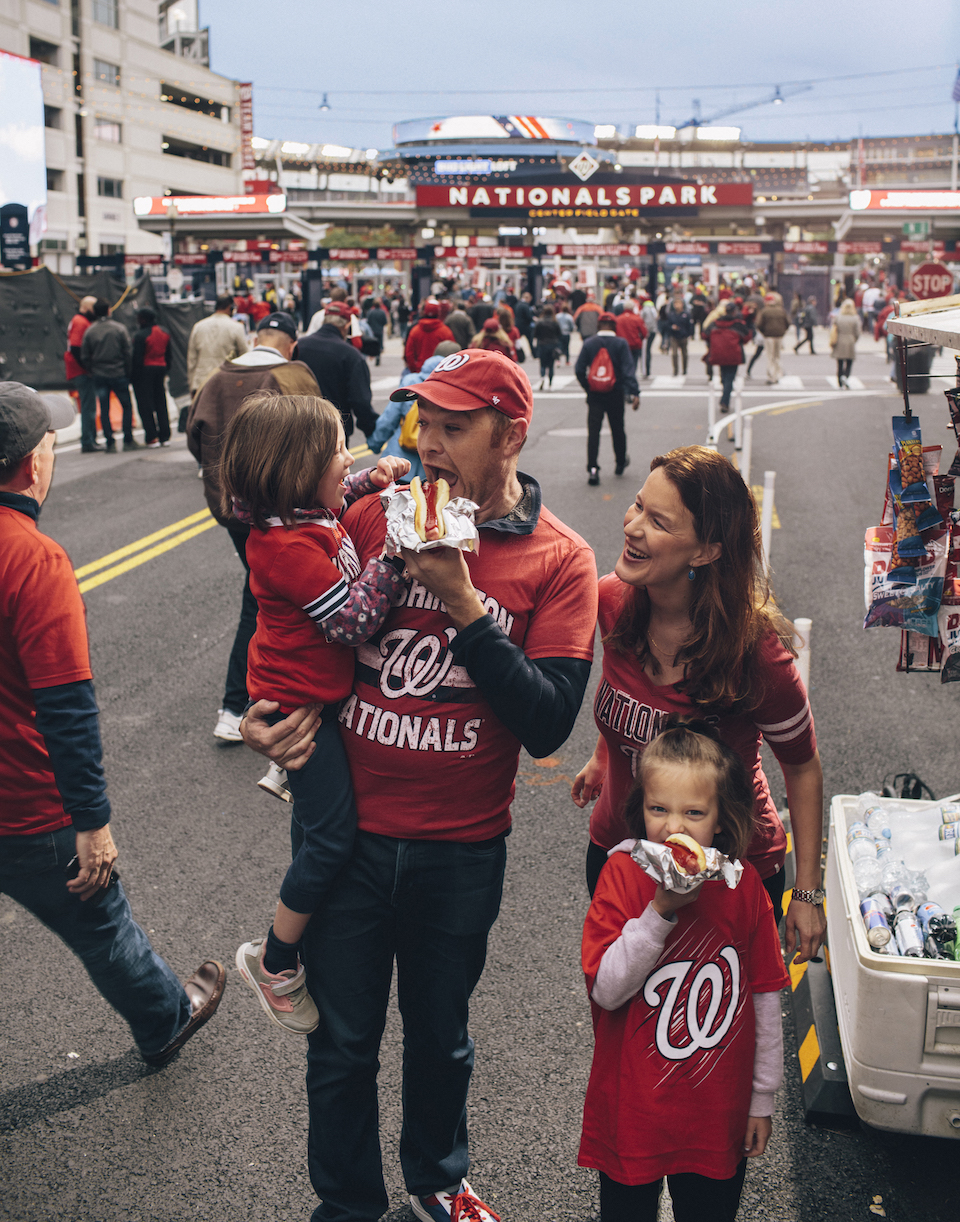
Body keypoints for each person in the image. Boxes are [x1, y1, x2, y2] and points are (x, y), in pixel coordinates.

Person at [241, 348, 599, 1222]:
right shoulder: (372, 521)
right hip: (351, 842)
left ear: (512, 434)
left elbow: (549, 721)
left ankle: (438, 1183)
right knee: (341, 1044)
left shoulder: (561, 559)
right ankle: (348, 1203)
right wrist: (265, 712)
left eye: (452, 427)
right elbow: (287, 620)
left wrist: (465, 603)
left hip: (462, 846)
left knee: (440, 1040)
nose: (427, 445)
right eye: (419, 423)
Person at [0, 382, 226, 1067]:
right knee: (103, 927)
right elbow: (66, 704)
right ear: (36, 462)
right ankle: (165, 1018)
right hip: (29, 806)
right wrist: (91, 822)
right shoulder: (33, 559)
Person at [570, 446, 826, 964]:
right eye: (638, 506)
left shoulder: (755, 654)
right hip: (620, 852)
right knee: (624, 1011)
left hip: (730, 869)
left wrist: (806, 895)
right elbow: (626, 692)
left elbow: (802, 768)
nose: (633, 526)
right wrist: (607, 753)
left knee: (711, 1033)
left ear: (706, 551)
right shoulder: (612, 602)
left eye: (658, 521)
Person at [219, 393, 409, 1034]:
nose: (348, 459)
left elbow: (334, 493)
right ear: (299, 471)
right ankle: (274, 961)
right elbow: (352, 621)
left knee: (318, 829)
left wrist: (369, 480)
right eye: (337, 452)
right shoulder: (289, 550)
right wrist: (394, 557)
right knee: (330, 838)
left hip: (307, 698)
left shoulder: (299, 514)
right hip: (299, 706)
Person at [579, 718, 790, 1222]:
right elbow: (606, 990)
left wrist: (761, 1100)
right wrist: (659, 912)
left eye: (693, 812)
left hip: (716, 1114)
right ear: (641, 808)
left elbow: (764, 998)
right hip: (633, 1111)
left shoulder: (744, 891)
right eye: (659, 809)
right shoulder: (621, 875)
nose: (674, 827)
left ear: (720, 819)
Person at [187, 312, 321, 744]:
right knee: (266, 603)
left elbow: (195, 435)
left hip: (229, 509)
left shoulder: (217, 380)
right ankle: (239, 705)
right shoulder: (293, 375)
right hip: (284, 510)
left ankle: (247, 702)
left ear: (255, 338)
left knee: (262, 595)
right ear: (291, 345)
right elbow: (318, 437)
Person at [295, 302, 379, 444]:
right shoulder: (351, 355)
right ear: (346, 325)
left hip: (299, 426)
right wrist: (370, 429)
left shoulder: (298, 347)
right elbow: (360, 400)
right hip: (335, 431)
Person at [576, 313, 640, 486]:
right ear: (614, 326)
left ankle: (593, 469)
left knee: (594, 432)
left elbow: (579, 368)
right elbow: (628, 370)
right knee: (618, 428)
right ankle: (620, 462)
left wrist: (588, 387)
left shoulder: (590, 343)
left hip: (595, 395)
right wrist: (635, 392)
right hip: (615, 393)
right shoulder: (620, 343)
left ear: (598, 326)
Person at [80, 298, 137, 452]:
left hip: (99, 375)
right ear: (108, 310)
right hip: (119, 373)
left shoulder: (90, 331)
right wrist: (128, 372)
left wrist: (92, 370)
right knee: (126, 406)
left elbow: (84, 355)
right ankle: (128, 439)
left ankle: (110, 442)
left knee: (104, 409)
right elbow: (128, 353)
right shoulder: (119, 329)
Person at [187, 294, 248, 401]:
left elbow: (192, 359)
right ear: (230, 307)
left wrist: (192, 385)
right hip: (227, 383)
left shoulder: (198, 326)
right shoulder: (237, 327)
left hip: (201, 382)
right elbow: (245, 357)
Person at [64, 295, 101, 452]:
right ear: (86, 308)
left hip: (80, 369)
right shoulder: (81, 322)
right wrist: (88, 368)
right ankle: (88, 440)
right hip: (82, 371)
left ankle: (91, 438)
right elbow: (76, 347)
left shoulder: (80, 321)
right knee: (88, 406)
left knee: (89, 405)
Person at [130, 308, 171, 449]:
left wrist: (133, 377)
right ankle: (165, 436)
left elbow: (137, 359)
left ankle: (152, 436)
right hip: (161, 369)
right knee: (161, 402)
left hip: (145, 372)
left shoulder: (141, 335)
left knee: (145, 405)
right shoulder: (165, 332)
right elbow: (169, 355)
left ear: (143, 319)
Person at [703, 303, 750, 413]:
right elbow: (747, 337)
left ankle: (725, 393)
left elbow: (705, 334)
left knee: (724, 375)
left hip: (719, 353)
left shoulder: (715, 323)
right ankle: (725, 401)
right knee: (730, 377)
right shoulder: (738, 324)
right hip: (734, 354)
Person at [404, 300, 455, 373]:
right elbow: (452, 352)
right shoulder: (445, 331)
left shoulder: (415, 331)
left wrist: (414, 370)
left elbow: (409, 354)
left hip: (420, 370)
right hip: (440, 372)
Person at [753, 292, 789, 385]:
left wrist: (764, 333)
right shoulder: (781, 310)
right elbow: (787, 322)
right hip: (779, 336)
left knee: (770, 356)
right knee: (777, 356)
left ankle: (771, 376)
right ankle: (778, 374)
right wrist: (782, 332)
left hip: (768, 336)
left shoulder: (765, 311)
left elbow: (759, 324)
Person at [831, 298, 860, 389]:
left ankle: (840, 382)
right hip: (850, 340)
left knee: (839, 363)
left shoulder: (838, 317)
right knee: (849, 362)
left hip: (840, 340)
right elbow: (858, 332)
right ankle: (846, 377)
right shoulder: (855, 318)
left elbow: (834, 329)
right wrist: (854, 339)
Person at [614, 300, 647, 378]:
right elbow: (644, 332)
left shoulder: (618, 319)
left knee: (623, 361)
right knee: (633, 362)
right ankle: (631, 376)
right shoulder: (637, 318)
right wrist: (640, 339)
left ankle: (623, 376)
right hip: (635, 344)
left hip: (621, 345)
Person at [533, 305, 563, 389]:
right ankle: (550, 382)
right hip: (553, 344)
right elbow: (559, 334)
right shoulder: (555, 322)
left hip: (542, 344)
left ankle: (542, 377)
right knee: (551, 365)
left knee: (542, 364)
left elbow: (535, 334)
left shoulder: (540, 322)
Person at [665, 296, 694, 376]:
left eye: (678, 303)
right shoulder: (671, 314)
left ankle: (684, 369)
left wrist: (689, 334)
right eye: (675, 304)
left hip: (683, 336)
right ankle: (675, 370)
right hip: (674, 336)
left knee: (684, 354)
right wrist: (672, 328)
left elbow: (690, 325)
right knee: (674, 354)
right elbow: (667, 325)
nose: (677, 305)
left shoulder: (686, 314)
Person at [365, 298, 389, 366]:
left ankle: (373, 355)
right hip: (380, 330)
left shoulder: (370, 312)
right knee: (379, 344)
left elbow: (368, 321)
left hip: (372, 330)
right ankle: (378, 356)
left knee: (373, 344)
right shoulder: (382, 312)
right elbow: (385, 321)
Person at [640, 297, 658, 379]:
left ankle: (646, 371)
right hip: (652, 331)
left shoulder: (646, 309)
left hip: (648, 332)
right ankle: (647, 370)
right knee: (648, 351)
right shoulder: (652, 308)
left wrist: (646, 331)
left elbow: (648, 321)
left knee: (645, 352)